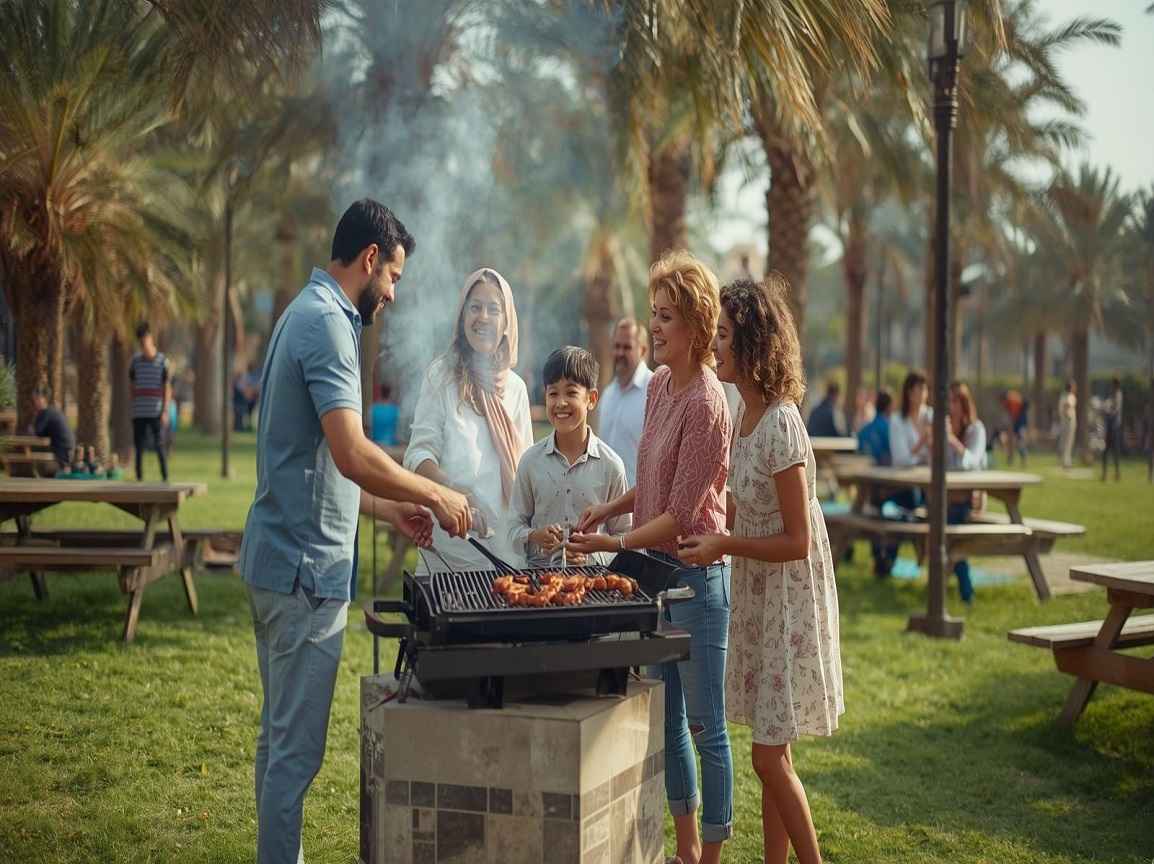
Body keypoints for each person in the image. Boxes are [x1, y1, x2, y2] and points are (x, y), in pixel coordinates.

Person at [238, 199, 472, 864]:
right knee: (295, 756)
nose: (393, 294)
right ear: (371, 260)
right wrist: (434, 491)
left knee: (277, 746)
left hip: (278, 563)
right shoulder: (329, 327)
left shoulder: (301, 312)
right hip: (303, 577)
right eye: (394, 276)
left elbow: (308, 460)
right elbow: (351, 450)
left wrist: (384, 510)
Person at [569, 251, 733, 864]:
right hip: (657, 577)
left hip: (697, 581)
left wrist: (611, 544)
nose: (654, 327)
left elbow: (681, 516)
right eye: (653, 314)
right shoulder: (661, 385)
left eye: (665, 316)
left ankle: (709, 858)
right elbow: (653, 484)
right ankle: (686, 849)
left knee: (705, 730)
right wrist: (610, 509)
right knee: (667, 721)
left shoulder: (709, 404)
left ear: (695, 323)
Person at [678, 275, 843, 864]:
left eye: (722, 335)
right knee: (776, 755)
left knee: (766, 758)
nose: (713, 345)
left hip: (789, 600)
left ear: (751, 344)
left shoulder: (780, 424)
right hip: (759, 594)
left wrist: (725, 543)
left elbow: (798, 540)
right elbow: (734, 508)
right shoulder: (741, 417)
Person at [404, 267, 534, 570]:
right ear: (463, 318)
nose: (483, 317)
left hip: (507, 557)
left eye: (493, 309)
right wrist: (452, 494)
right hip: (450, 555)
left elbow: (528, 472)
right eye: (475, 307)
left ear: (506, 323)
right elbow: (417, 455)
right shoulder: (441, 377)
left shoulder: (515, 389)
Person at [509, 346, 630, 567]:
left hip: (596, 591)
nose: (560, 403)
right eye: (553, 393)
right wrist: (534, 535)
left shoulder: (611, 465)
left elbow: (626, 541)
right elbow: (511, 531)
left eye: (571, 392)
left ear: (591, 399)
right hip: (538, 588)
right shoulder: (530, 461)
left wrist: (591, 557)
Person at [945, 381, 988, 604]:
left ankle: (964, 591)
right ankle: (965, 592)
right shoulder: (948, 429)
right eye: (949, 401)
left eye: (954, 401)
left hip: (970, 499)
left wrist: (951, 441)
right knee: (945, 526)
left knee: (948, 528)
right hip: (949, 498)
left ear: (963, 403)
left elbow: (971, 462)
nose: (950, 406)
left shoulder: (976, 429)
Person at [598, 317, 653, 486]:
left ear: (643, 351)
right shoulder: (607, 394)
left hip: (640, 504)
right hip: (607, 503)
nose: (620, 353)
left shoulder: (656, 390)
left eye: (627, 347)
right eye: (616, 346)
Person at [857, 389, 897, 576]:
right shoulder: (891, 428)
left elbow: (860, 454)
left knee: (874, 511)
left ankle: (878, 555)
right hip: (888, 486)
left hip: (868, 487)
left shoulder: (864, 430)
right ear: (889, 407)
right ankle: (887, 557)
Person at [129, 321, 171, 481]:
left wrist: (165, 410)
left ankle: (165, 477)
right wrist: (133, 405)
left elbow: (166, 387)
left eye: (144, 340)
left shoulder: (162, 361)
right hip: (139, 411)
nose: (143, 344)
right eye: (140, 341)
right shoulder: (135, 362)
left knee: (159, 446)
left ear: (150, 338)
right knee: (139, 447)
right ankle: (139, 478)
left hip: (156, 411)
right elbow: (132, 386)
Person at [30, 387, 74, 475]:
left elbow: (38, 432)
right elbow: (44, 431)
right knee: (64, 468)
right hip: (68, 444)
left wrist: (31, 429)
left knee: (64, 470)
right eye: (35, 399)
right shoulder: (52, 410)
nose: (36, 402)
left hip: (61, 446)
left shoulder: (45, 412)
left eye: (38, 399)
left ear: (44, 400)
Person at [1101, 376, 1123, 482]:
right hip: (1112, 426)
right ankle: (1108, 474)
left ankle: (1114, 474)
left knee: (1111, 451)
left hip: (1113, 427)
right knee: (1110, 451)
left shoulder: (1117, 395)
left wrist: (1107, 412)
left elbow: (1115, 411)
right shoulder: (1114, 395)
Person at [1057, 379, 1077, 469]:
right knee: (1068, 443)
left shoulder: (1063, 395)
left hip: (1064, 422)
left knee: (1064, 442)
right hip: (1068, 423)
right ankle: (1066, 463)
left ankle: (1064, 461)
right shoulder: (1070, 396)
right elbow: (1067, 406)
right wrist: (1068, 416)